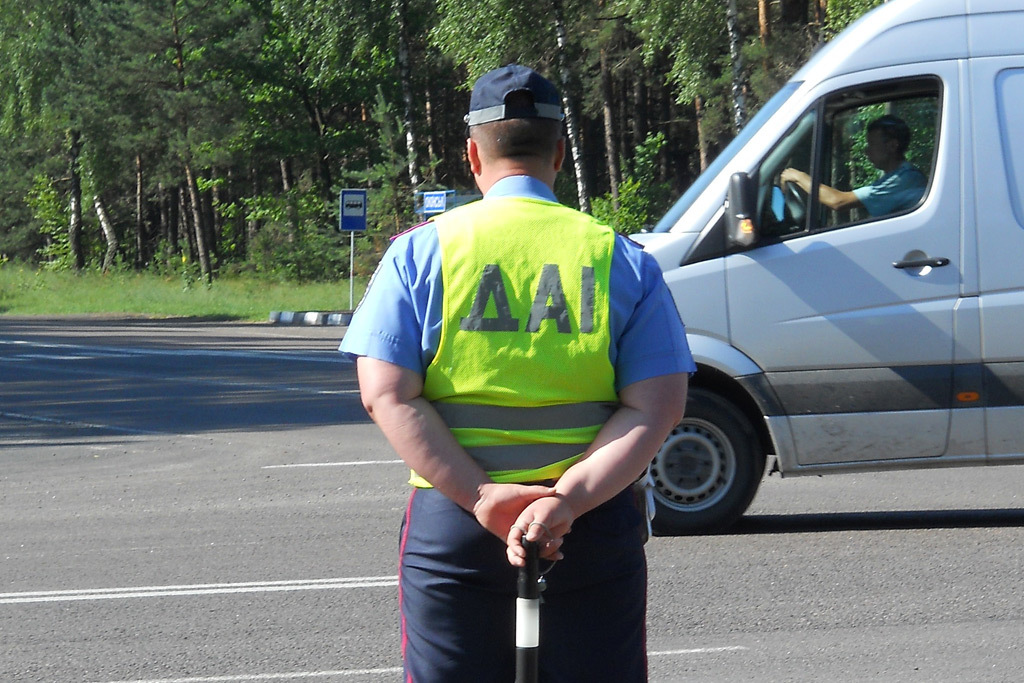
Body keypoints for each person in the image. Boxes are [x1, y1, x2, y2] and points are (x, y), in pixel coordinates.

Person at [339, 64, 694, 682]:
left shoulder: (421, 252)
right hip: (589, 524)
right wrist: (566, 502)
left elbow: (385, 396)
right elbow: (658, 407)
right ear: (559, 152)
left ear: (473, 155)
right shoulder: (620, 257)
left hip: (457, 526)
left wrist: (484, 498)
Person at [781, 114, 927, 217]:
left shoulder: (904, 179)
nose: (866, 150)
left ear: (892, 146)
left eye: (872, 145)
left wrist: (798, 176)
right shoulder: (896, 176)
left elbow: (838, 201)